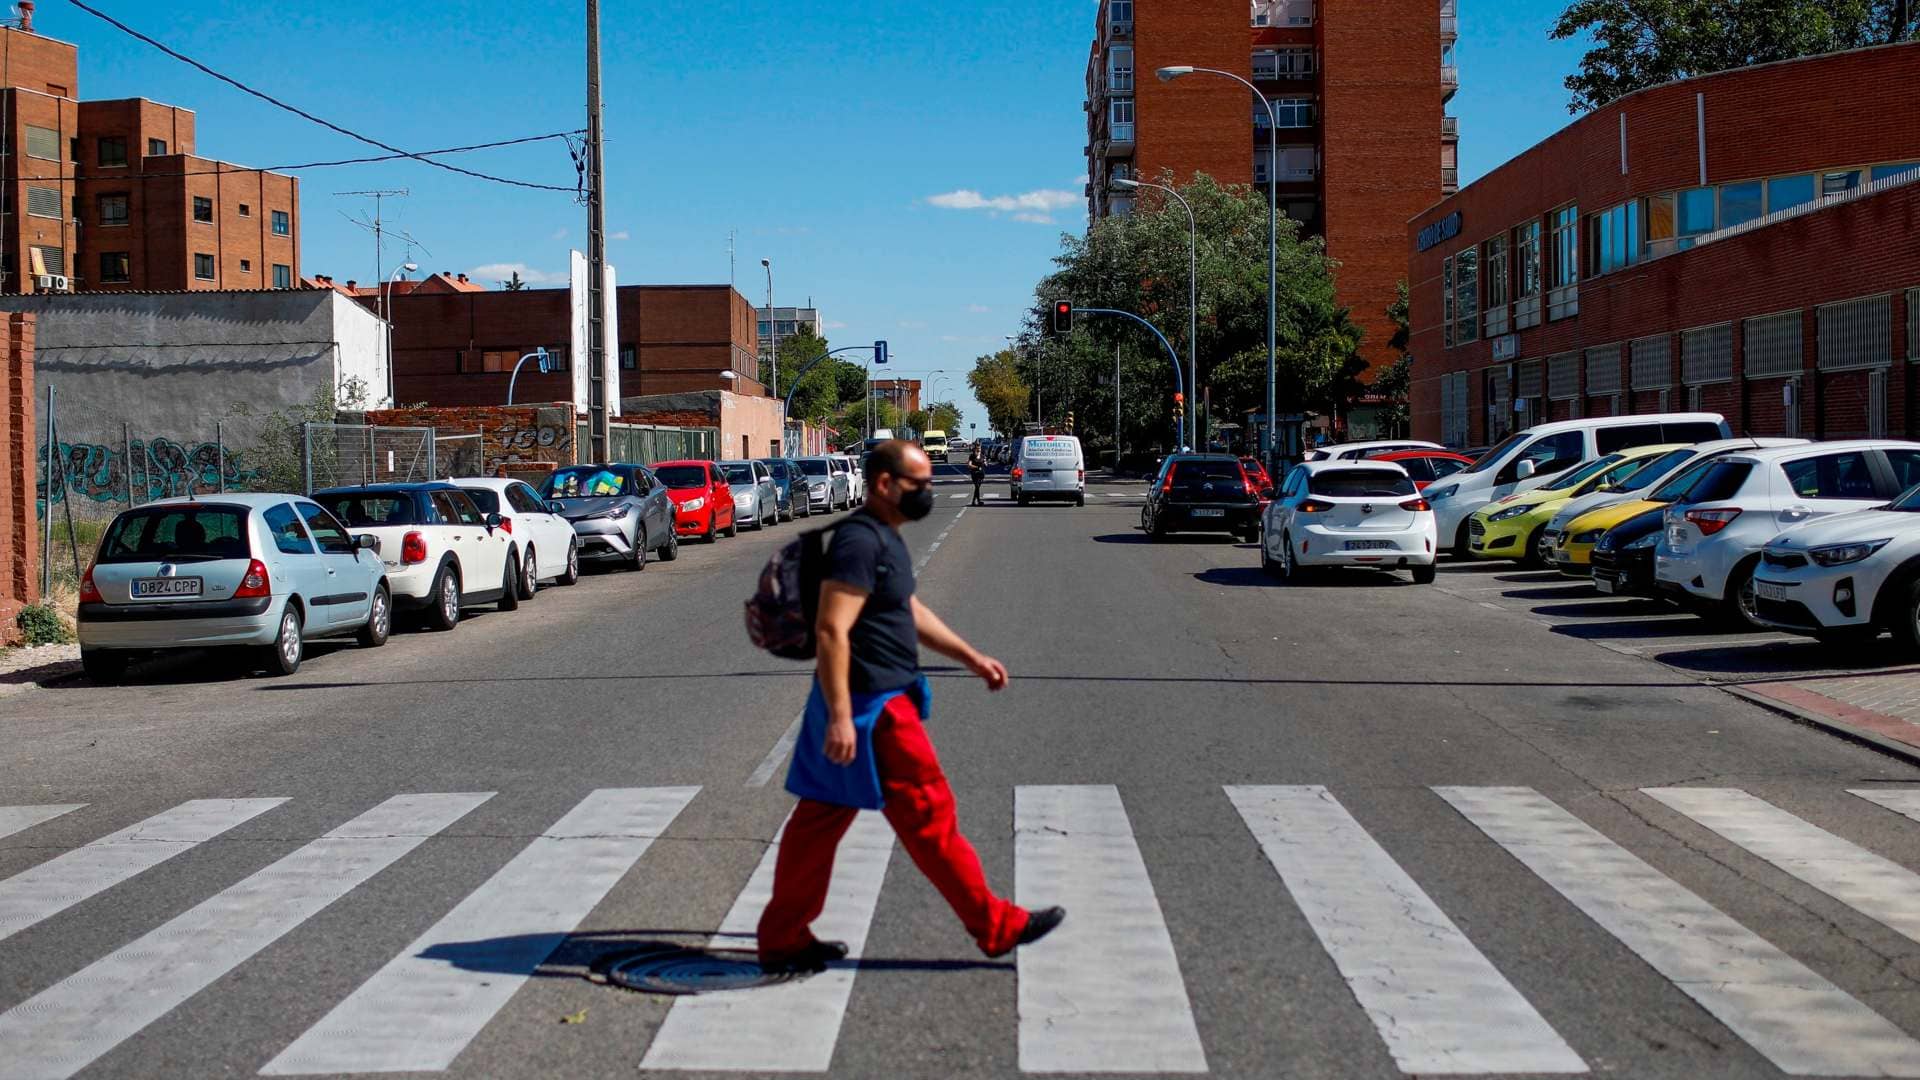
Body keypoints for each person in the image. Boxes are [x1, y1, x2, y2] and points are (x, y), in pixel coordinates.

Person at [758, 440, 1064, 973]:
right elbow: (832, 629)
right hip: (873, 709)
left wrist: (970, 657)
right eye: (918, 484)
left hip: (874, 701)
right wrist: (838, 716)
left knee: (818, 823)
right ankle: (995, 926)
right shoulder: (859, 542)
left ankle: (783, 938)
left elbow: (908, 610)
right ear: (883, 484)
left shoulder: (885, 538)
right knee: (929, 813)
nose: (927, 491)